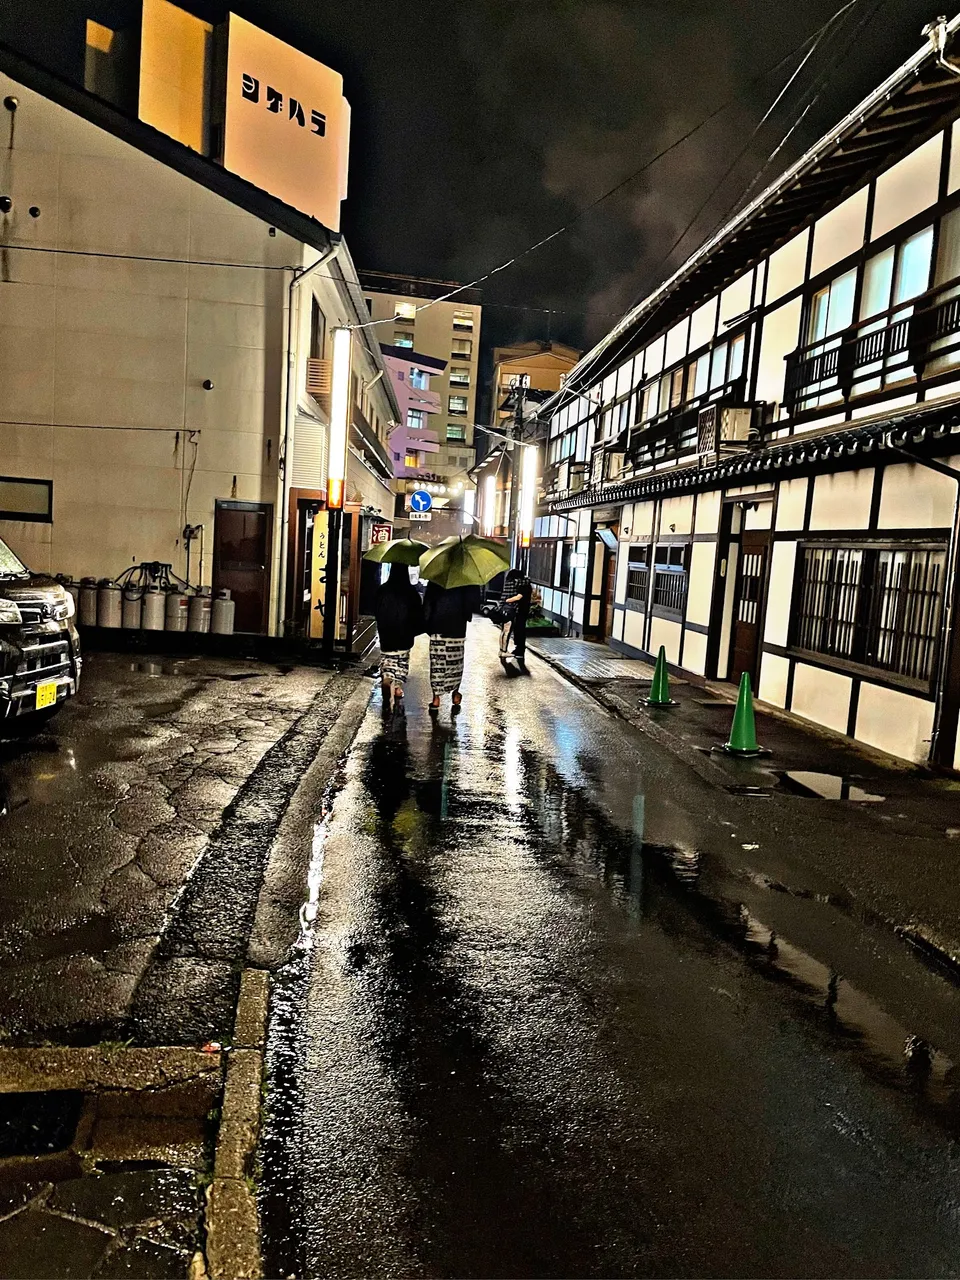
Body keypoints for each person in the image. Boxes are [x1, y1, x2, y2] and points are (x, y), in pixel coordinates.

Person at [422, 582, 480, 712]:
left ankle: (436, 698)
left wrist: (427, 626)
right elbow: (473, 604)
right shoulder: (465, 580)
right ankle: (455, 694)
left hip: (438, 627)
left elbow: (427, 605)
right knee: (455, 664)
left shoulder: (435, 580)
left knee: (437, 664)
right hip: (457, 629)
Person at [373, 562, 425, 705]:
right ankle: (397, 688)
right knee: (402, 662)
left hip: (386, 634)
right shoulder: (411, 592)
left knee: (388, 659)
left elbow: (375, 609)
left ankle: (387, 678)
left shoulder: (382, 590)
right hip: (405, 635)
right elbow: (418, 615)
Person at [499, 567, 533, 663]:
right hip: (518, 610)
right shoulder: (522, 584)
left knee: (516, 630)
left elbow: (519, 597)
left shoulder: (520, 585)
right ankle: (515, 649)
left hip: (518, 610)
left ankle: (516, 649)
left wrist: (507, 600)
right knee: (515, 630)